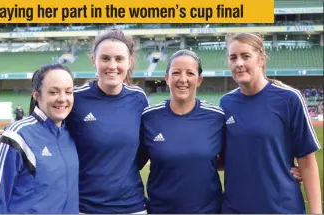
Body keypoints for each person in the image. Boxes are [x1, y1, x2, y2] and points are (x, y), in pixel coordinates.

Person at [220, 32, 322, 214]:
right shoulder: (225, 103)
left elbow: (307, 163)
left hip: (282, 208)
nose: (238, 63)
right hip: (235, 209)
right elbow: (222, 157)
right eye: (233, 58)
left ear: (261, 59)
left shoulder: (289, 99)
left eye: (245, 56)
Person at [66, 29, 148, 214]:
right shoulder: (75, 98)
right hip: (85, 207)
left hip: (132, 207)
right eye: (105, 58)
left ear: (129, 62)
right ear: (94, 61)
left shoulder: (138, 98)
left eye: (119, 59)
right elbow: (47, 134)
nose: (112, 65)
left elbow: (144, 149)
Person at [0, 64, 79, 214]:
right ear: (36, 95)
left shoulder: (72, 134)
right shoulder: (17, 136)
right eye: (53, 92)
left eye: (68, 92)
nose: (62, 99)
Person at [138, 49, 225, 213]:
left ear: (199, 80)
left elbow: (231, 160)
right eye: (176, 72)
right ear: (166, 78)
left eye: (190, 73)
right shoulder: (149, 117)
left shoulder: (217, 118)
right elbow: (133, 163)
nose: (182, 79)